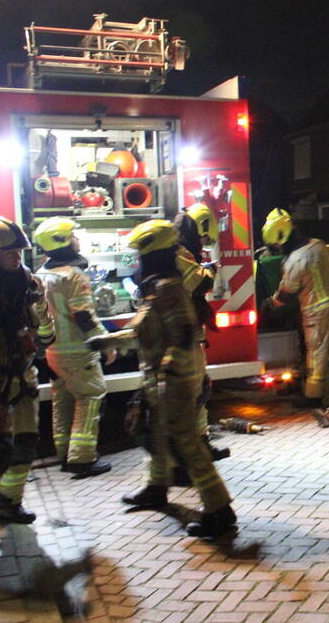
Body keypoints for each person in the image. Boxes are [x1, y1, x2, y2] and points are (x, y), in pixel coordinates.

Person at [89, 219, 236, 538]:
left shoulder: (167, 288)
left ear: (152, 254)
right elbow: (143, 331)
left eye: (140, 255)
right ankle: (156, 489)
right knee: (155, 435)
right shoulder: (155, 286)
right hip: (160, 377)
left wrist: (167, 376)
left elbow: (182, 335)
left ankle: (219, 510)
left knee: (187, 444)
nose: (137, 260)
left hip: (174, 379)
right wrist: (106, 341)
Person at [0, 217, 53, 550]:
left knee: (25, 442)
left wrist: (46, 338)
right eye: (9, 252)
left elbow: (44, 322)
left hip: (22, 375)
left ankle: (9, 502)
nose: (17, 257)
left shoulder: (29, 284)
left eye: (19, 251)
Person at [33, 217, 115, 478]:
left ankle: (64, 454)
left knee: (63, 400)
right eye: (73, 236)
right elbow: (84, 316)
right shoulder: (74, 275)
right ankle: (82, 459)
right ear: (63, 241)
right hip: (78, 351)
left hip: (53, 352)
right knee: (90, 396)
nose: (77, 240)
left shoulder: (41, 274)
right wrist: (106, 343)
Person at [262, 208, 329, 407]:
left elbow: (286, 292)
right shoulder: (319, 245)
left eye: (276, 245)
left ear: (282, 239)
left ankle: (313, 398)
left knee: (316, 355)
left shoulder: (295, 260)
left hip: (317, 313)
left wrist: (269, 305)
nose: (277, 248)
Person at [173, 203, 229, 463]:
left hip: (184, 331)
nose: (204, 243)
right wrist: (210, 269)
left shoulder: (175, 249)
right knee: (196, 390)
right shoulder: (181, 252)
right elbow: (199, 283)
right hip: (185, 332)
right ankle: (195, 448)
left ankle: (200, 443)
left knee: (198, 390)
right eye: (204, 238)